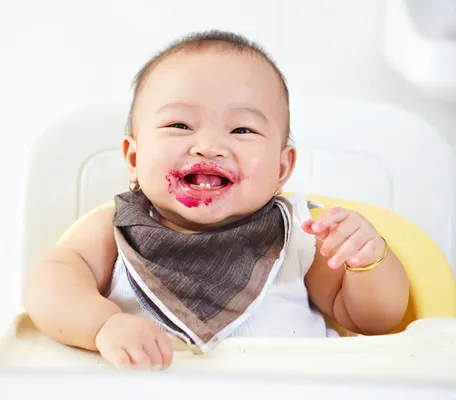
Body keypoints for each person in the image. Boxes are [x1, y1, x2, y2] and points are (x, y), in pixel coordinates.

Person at [23, 30, 410, 370]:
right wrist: (102, 324)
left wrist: (367, 261)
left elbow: (372, 321)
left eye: (242, 129)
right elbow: (47, 288)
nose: (208, 147)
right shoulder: (113, 233)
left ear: (281, 167)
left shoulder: (301, 236)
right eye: (180, 125)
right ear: (135, 159)